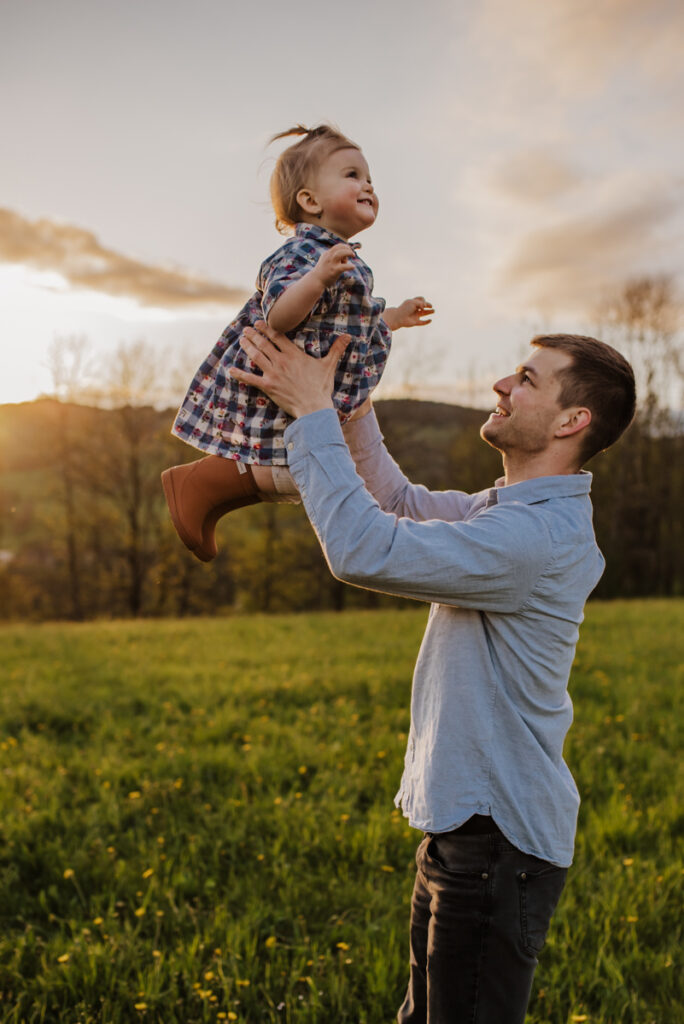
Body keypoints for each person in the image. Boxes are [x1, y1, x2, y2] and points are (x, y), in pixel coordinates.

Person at [227, 321, 636, 1024]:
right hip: (469, 839)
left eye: (527, 380)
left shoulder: (534, 537)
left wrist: (312, 412)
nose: (503, 385)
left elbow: (364, 547)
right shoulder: (505, 510)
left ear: (573, 420)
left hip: (497, 846)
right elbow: (399, 505)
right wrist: (350, 400)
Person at [162, 124, 433, 561]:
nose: (367, 185)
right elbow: (280, 314)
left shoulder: (340, 258)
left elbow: (352, 321)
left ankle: (208, 489)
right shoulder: (303, 254)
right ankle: (200, 485)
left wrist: (395, 317)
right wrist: (317, 277)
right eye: (351, 175)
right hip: (285, 384)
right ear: (309, 201)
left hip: (320, 391)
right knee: (310, 470)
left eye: (370, 179)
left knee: (333, 473)